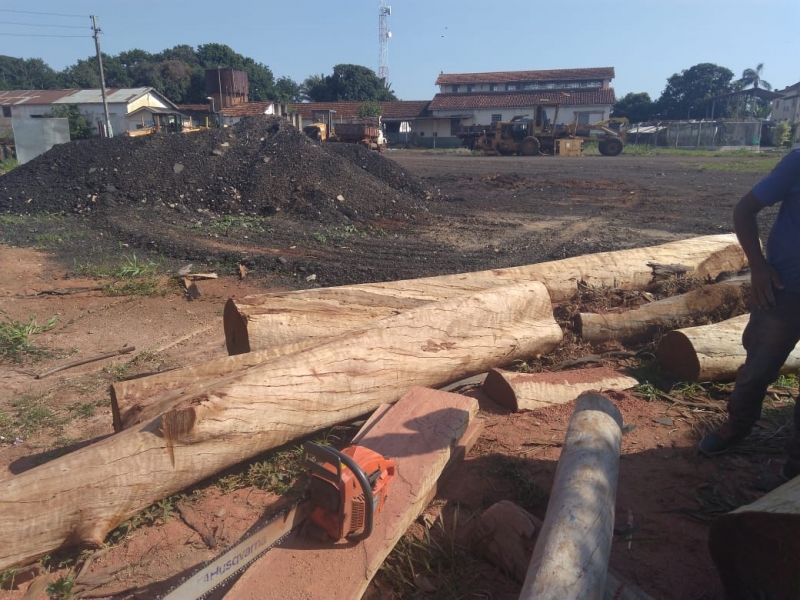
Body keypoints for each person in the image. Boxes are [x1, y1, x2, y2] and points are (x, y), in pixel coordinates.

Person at [699, 148, 800, 481]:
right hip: (783, 289)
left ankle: (795, 465)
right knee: (757, 368)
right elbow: (745, 210)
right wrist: (758, 266)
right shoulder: (797, 162)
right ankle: (736, 427)